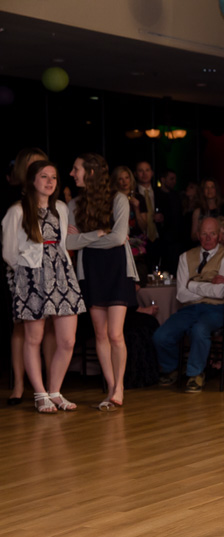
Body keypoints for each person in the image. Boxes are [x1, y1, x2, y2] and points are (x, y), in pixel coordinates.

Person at [2, 161, 85, 413]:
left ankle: (55, 391)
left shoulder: (60, 207)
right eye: (44, 176)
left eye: (54, 177)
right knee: (34, 338)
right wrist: (28, 271)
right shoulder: (17, 211)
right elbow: (8, 251)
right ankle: (40, 394)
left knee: (67, 340)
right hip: (32, 277)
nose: (50, 181)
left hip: (62, 275)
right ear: (32, 180)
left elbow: (63, 244)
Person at [67, 154, 139, 410]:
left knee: (115, 333)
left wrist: (85, 238)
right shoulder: (74, 204)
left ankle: (119, 386)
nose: (72, 173)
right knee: (100, 333)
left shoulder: (118, 199)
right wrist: (97, 233)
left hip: (117, 267)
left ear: (92, 172)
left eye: (76, 169)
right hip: (91, 269)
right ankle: (111, 388)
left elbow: (119, 238)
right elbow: (68, 243)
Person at [153, 216, 224, 393]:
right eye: (204, 234)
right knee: (161, 336)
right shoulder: (185, 257)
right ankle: (172, 369)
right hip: (190, 307)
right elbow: (181, 294)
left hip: (218, 308)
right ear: (198, 235)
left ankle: (195, 374)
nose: (208, 238)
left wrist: (192, 284)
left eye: (213, 234)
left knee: (199, 330)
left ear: (218, 236)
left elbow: (221, 293)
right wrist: (208, 285)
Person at [4, 147, 55, 406]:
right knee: (21, 325)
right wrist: (22, 268)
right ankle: (19, 385)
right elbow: (10, 243)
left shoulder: (52, 199)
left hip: (48, 268)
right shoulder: (16, 199)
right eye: (35, 166)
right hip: (21, 268)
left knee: (46, 326)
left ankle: (46, 384)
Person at [112, 165, 148, 281]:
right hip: (119, 242)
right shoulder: (112, 199)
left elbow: (144, 226)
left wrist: (137, 208)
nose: (124, 182)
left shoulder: (139, 198)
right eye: (120, 179)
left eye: (126, 178)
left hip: (137, 244)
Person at [191, 178, 221, 243]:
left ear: (216, 190)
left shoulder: (223, 209)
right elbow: (193, 236)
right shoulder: (198, 212)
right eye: (206, 187)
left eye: (212, 187)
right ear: (203, 191)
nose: (209, 190)